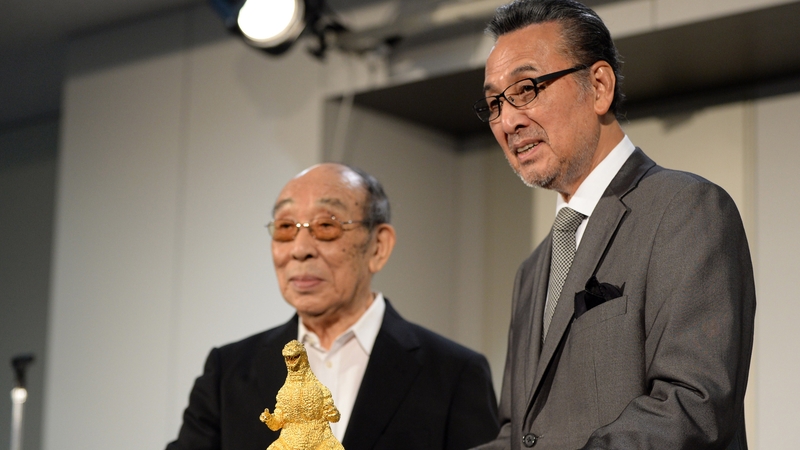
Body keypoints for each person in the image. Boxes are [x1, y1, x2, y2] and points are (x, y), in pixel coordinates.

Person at [471, 1, 756, 449]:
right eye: (494, 103)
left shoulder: (687, 210)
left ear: (599, 86)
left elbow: (692, 408)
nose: (508, 120)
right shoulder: (533, 269)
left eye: (526, 89)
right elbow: (518, 434)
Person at [166, 163, 499, 450]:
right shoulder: (229, 371)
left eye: (326, 226)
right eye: (285, 228)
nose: (300, 249)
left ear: (378, 247)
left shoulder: (453, 373)